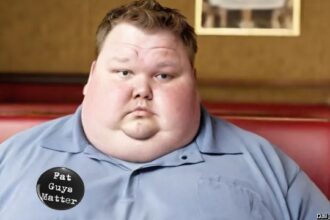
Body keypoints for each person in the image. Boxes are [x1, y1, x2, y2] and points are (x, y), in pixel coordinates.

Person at [0, 0, 329, 219]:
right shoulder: (12, 159)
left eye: (163, 75)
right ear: (91, 77)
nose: (141, 89)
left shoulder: (268, 168)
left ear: (194, 83)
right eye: (124, 72)